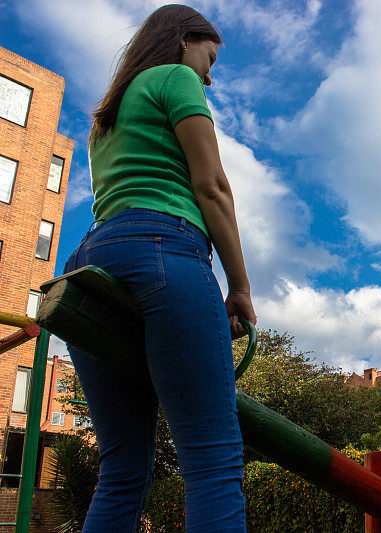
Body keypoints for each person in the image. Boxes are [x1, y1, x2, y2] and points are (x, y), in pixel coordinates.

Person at [63, 5, 255, 531]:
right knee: (212, 457)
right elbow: (211, 186)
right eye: (208, 58)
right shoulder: (175, 77)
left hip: (91, 265)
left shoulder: (105, 118)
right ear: (184, 40)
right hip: (164, 249)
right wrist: (238, 287)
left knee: (121, 468)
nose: (208, 75)